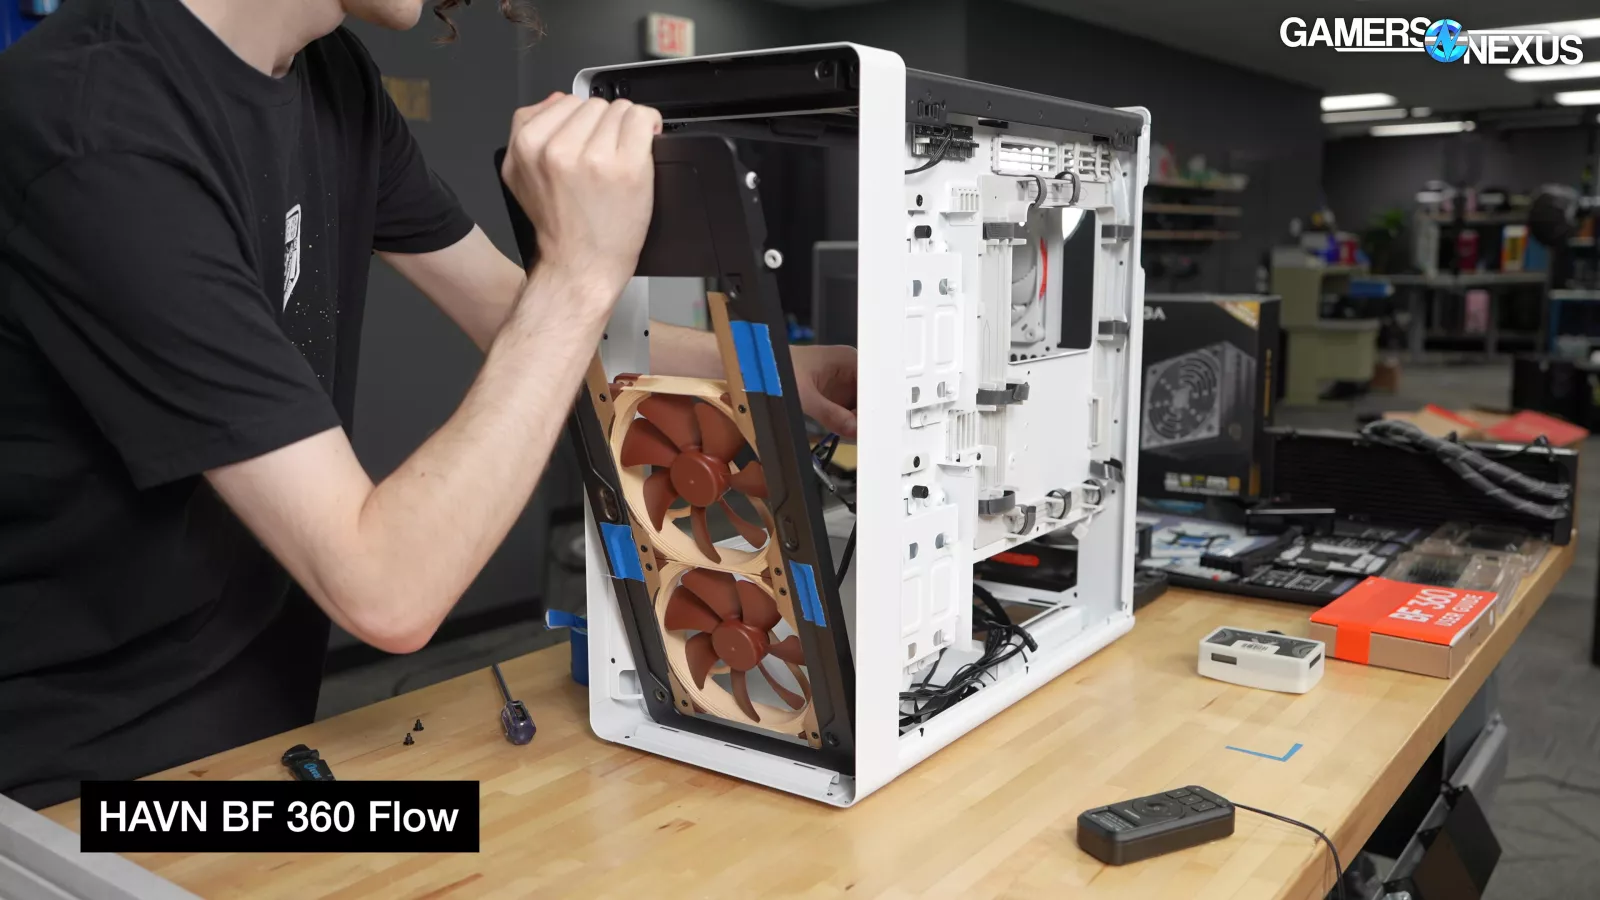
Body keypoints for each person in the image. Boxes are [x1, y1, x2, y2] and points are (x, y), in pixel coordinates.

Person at [0, 0, 858, 810]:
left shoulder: (332, 76)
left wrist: (786, 373)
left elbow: (503, 305)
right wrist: (581, 270)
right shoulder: (96, 128)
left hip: (260, 726)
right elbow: (386, 589)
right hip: (71, 790)